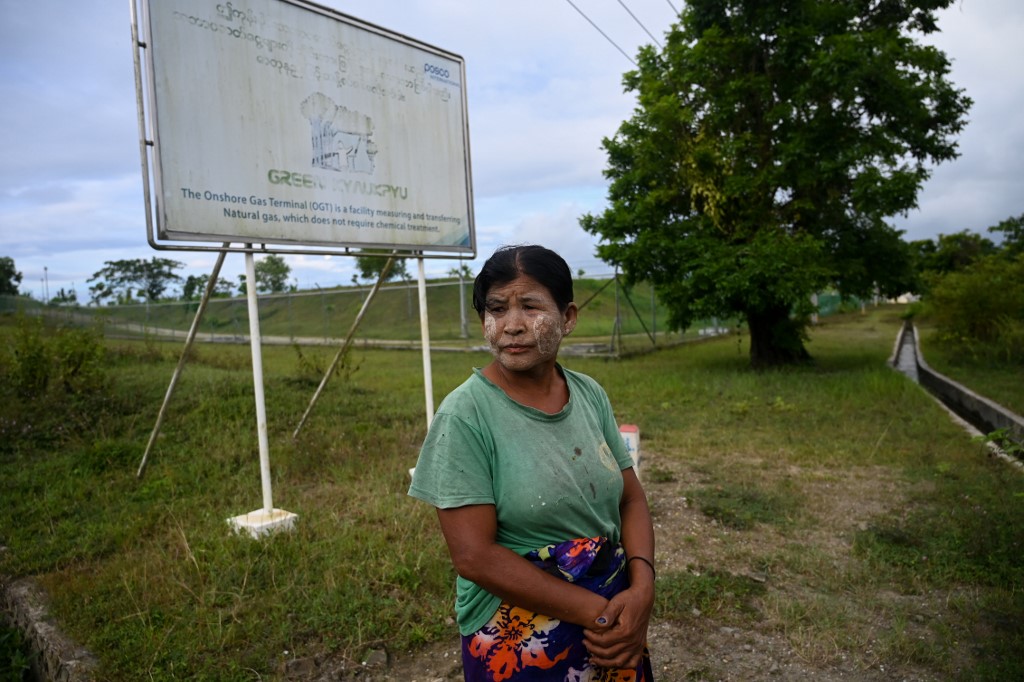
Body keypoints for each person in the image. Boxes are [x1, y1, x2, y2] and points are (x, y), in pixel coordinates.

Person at [409, 245, 656, 681]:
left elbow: (631, 499)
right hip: (520, 632)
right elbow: (474, 556)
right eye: (497, 309)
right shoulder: (464, 415)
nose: (512, 326)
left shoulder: (588, 394)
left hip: (616, 610)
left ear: (569, 317)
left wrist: (642, 590)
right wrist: (600, 615)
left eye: (530, 306)